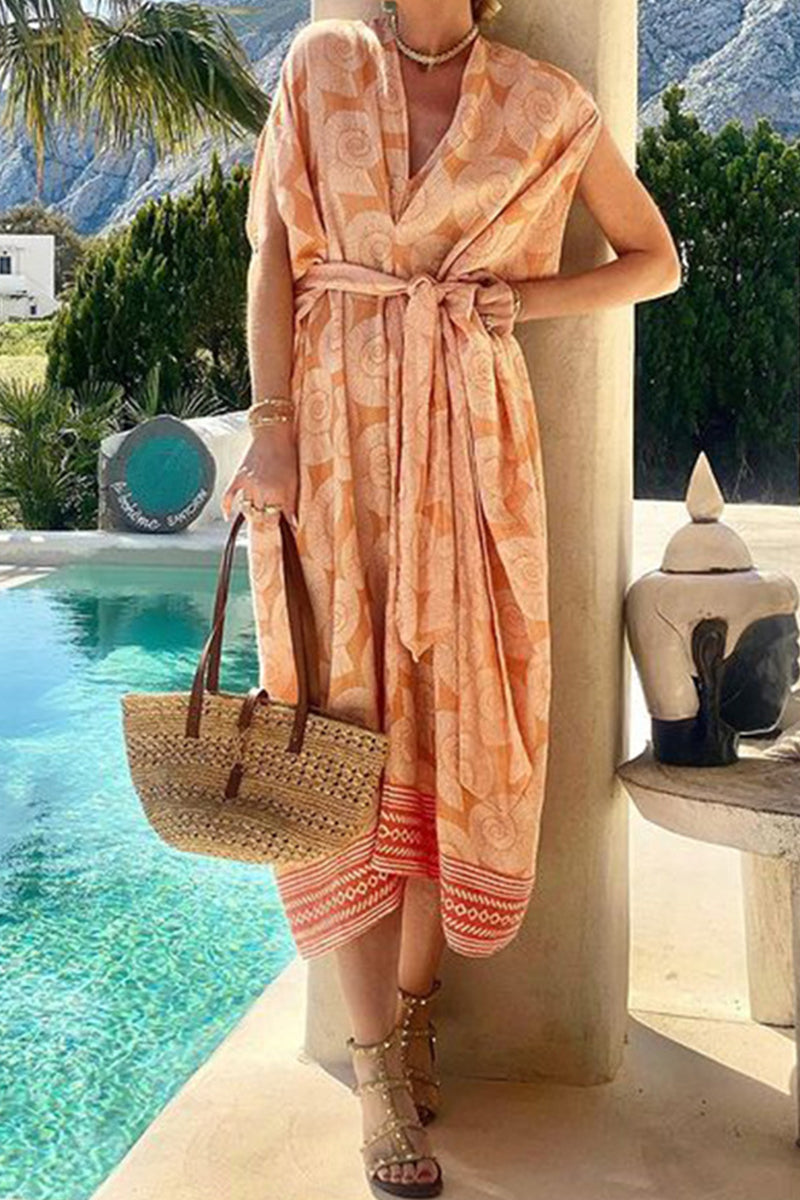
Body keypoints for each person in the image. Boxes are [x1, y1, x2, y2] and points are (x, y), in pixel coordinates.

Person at [222, 1, 681, 1195]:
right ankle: (374, 1065)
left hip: (470, 450)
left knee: (448, 725)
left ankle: (416, 1014)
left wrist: (526, 300)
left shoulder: (541, 103)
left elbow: (655, 260)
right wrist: (270, 426)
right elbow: (272, 253)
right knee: (337, 731)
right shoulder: (322, 64)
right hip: (330, 446)